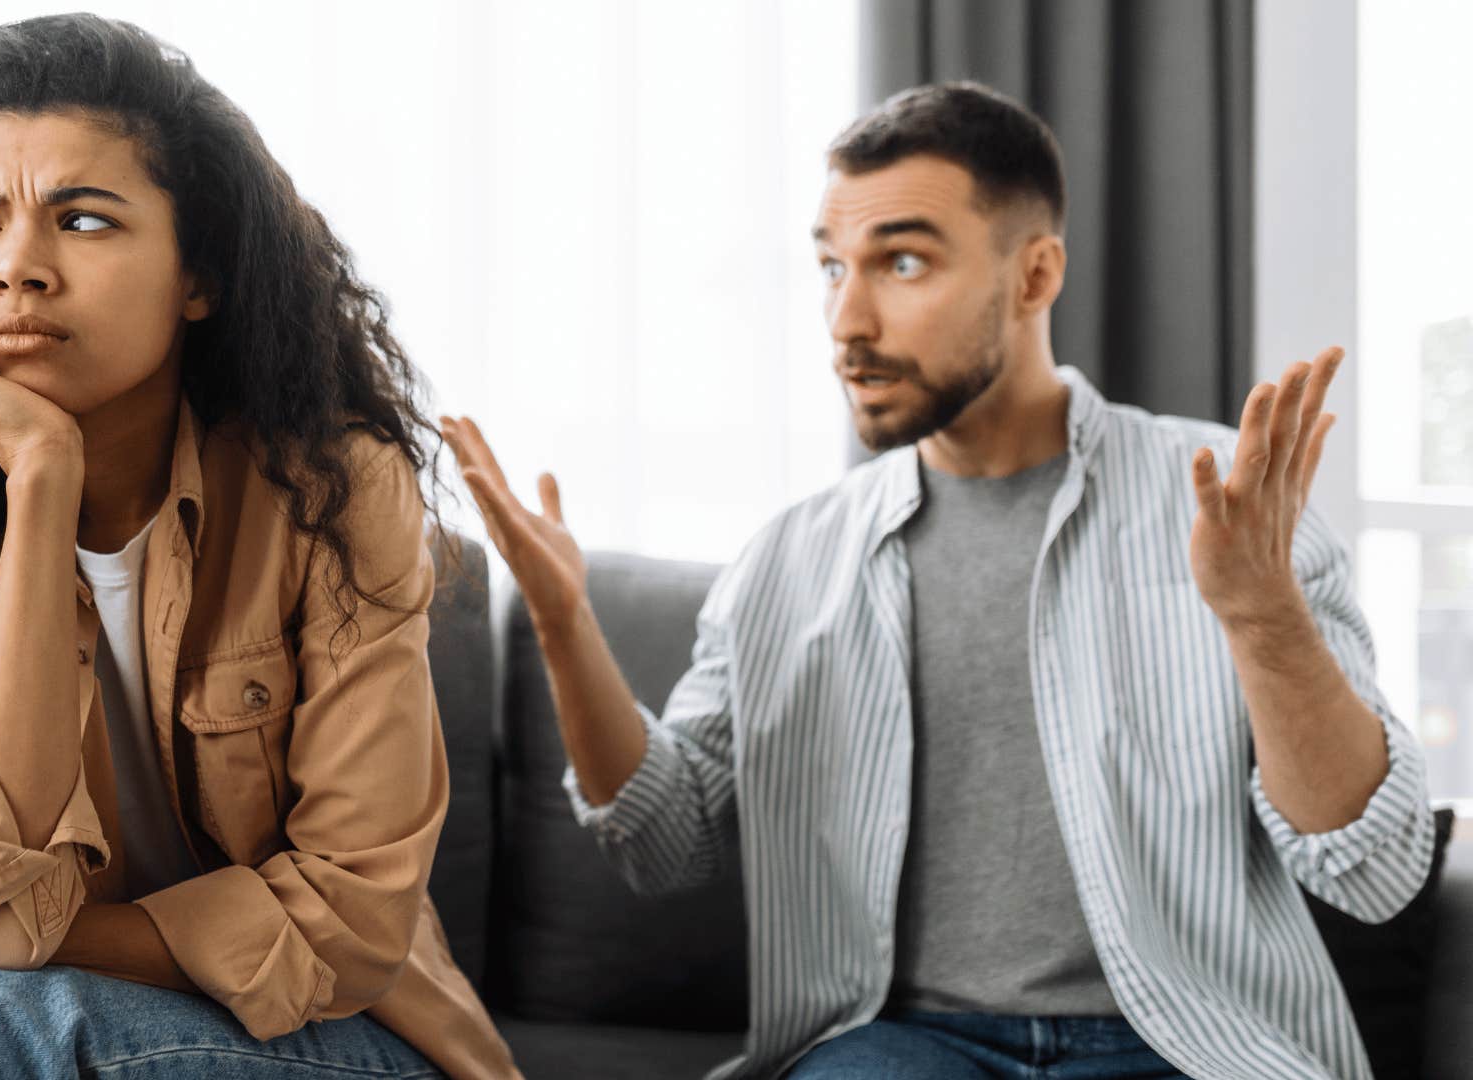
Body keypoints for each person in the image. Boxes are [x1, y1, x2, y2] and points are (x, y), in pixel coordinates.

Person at [444, 82, 1433, 1080]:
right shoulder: (788, 560)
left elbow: (1377, 869)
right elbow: (660, 845)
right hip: (900, 1045)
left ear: (1035, 274)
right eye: (832, 267)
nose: (847, 320)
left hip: (1190, 1039)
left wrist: (1263, 619)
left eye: (903, 261)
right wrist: (566, 624)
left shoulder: (1229, 508)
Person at [0, 14, 518, 1079]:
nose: (16, 267)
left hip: (346, 1044)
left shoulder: (333, 492)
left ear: (197, 276)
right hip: (25, 1039)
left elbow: (348, 922)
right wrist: (40, 479)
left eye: (84, 219)